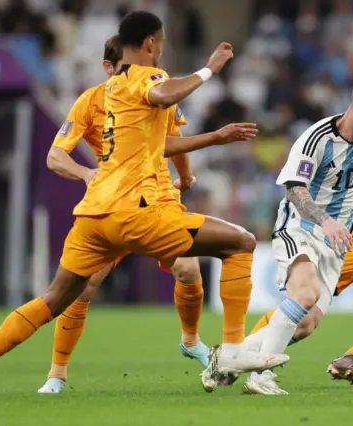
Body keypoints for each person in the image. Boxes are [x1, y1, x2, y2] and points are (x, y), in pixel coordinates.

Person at [0, 11, 288, 402]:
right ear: (151, 45)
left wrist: (205, 149)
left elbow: (162, 141)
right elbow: (164, 95)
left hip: (96, 215)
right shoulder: (147, 78)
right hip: (140, 210)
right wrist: (209, 69)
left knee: (54, 298)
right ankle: (230, 352)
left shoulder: (110, 94)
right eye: (159, 46)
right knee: (240, 242)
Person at [38, 35, 258, 394]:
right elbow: (54, 156)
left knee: (188, 269)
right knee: (86, 285)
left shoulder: (156, 88)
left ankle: (190, 341)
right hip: (112, 203)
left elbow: (172, 138)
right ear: (107, 67)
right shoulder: (92, 101)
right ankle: (56, 373)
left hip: (157, 197)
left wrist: (185, 176)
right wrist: (86, 173)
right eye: (118, 65)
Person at [207, 76, 353, 395]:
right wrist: (325, 220)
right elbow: (295, 188)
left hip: (335, 244)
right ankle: (260, 377)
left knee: (305, 324)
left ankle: (225, 360)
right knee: (304, 294)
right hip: (299, 228)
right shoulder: (316, 138)